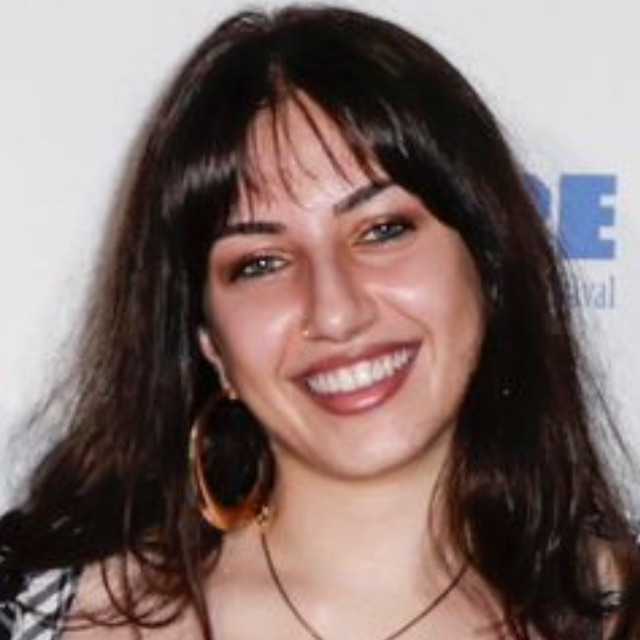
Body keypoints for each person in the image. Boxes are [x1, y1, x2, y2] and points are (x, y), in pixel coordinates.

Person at [1, 5, 638, 639]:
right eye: (261, 263)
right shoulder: (38, 610)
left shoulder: (621, 609)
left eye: (382, 230)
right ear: (207, 339)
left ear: (487, 262)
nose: (335, 311)